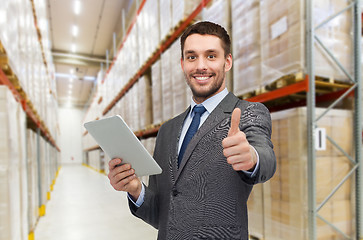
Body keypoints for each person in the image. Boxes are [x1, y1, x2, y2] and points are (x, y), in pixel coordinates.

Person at [108, 21, 276, 240]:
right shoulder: (168, 130)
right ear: (182, 64)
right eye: (192, 57)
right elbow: (161, 215)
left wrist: (251, 157)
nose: (201, 66)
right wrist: (135, 189)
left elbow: (266, 158)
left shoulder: (247, 113)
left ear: (227, 62)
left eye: (211, 56)